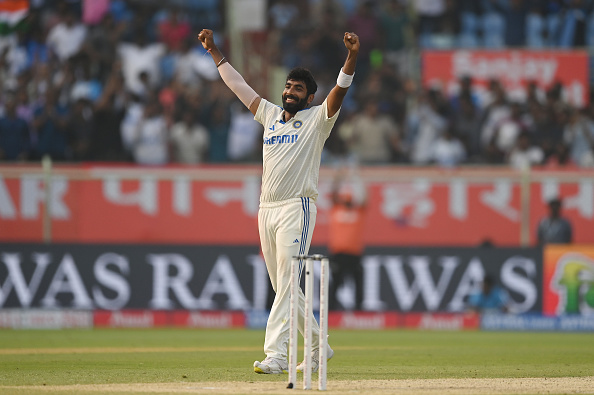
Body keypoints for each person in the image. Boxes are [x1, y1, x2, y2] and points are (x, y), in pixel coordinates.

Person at [198, 28, 359, 375]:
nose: (289, 92)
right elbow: (238, 86)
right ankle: (319, 346)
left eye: (298, 89)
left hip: (296, 208)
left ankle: (277, 355)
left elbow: (340, 90)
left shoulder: (317, 120)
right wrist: (214, 52)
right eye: (287, 87)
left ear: (310, 97)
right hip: (266, 210)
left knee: (286, 281)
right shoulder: (270, 115)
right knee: (282, 285)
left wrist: (352, 57)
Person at [328, 171, 367, 311]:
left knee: (358, 284)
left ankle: (358, 313)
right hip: (338, 253)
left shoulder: (358, 210)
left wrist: (357, 178)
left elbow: (364, 198)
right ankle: (330, 312)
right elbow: (333, 193)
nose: (347, 201)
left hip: (354, 254)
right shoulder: (336, 208)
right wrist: (339, 177)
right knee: (335, 284)